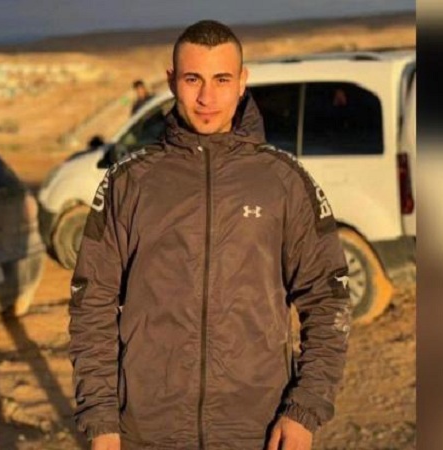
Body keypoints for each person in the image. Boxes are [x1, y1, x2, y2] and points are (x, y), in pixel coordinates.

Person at [69, 20, 351, 450]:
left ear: (242, 81)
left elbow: (328, 299)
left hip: (258, 430)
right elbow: (92, 304)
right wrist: (101, 419)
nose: (207, 97)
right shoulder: (129, 183)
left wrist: (305, 410)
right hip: (147, 432)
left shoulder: (282, 181)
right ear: (171, 81)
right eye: (192, 79)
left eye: (221, 79)